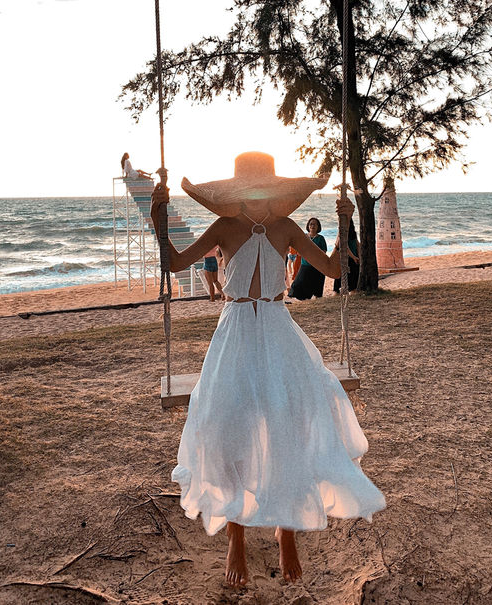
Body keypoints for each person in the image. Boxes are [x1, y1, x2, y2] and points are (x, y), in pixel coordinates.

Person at [151, 152, 385, 588]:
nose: (258, 199)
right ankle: (236, 536)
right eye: (250, 191)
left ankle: (287, 529)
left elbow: (334, 270)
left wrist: (345, 226)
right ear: (237, 193)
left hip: (279, 329)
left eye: (267, 190)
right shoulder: (225, 228)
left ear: (277, 193)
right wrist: (157, 219)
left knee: (289, 422)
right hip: (235, 330)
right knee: (229, 426)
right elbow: (175, 263)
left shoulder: (286, 228)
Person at [287, 217, 327, 300]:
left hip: (317, 265)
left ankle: (315, 299)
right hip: (305, 263)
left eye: (315, 224)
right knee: (299, 283)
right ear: (308, 226)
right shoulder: (304, 237)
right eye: (311, 224)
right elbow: (298, 250)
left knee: (316, 284)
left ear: (318, 226)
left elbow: (324, 252)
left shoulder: (321, 238)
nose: (312, 226)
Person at [333, 217, 360, 294]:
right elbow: (344, 246)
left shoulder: (353, 233)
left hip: (354, 257)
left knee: (353, 276)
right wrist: (354, 257)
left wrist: (359, 256)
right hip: (346, 258)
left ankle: (352, 291)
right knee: (342, 277)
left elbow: (357, 244)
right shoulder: (341, 232)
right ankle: (339, 292)